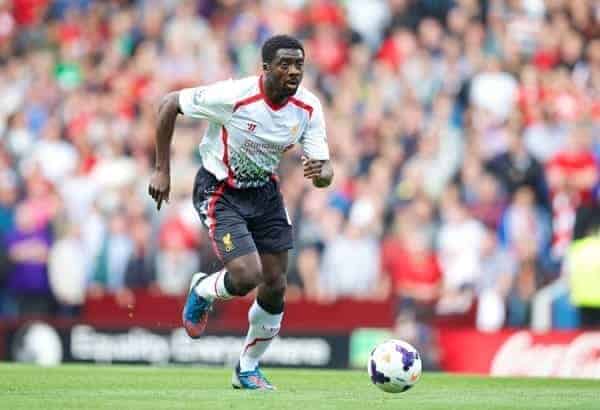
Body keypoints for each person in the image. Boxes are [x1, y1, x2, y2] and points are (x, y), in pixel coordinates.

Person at [148, 35, 333, 390]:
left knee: (277, 284)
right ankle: (203, 290)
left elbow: (324, 169)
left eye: (299, 64)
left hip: (265, 193)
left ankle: (247, 368)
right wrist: (162, 170)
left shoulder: (308, 107)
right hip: (221, 190)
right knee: (248, 275)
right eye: (285, 64)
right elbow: (169, 104)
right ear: (265, 68)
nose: (293, 71)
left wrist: (322, 174)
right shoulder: (234, 96)